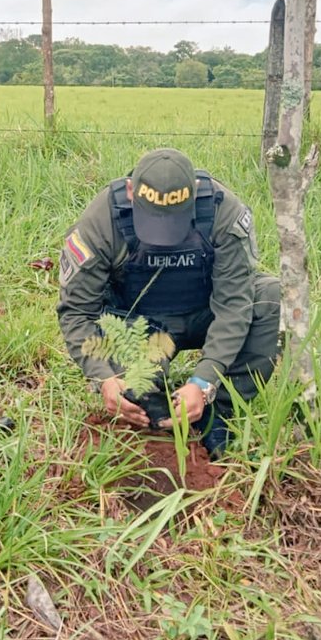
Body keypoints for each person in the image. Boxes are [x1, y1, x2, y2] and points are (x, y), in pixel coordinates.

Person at [57, 148, 281, 459]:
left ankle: (217, 416)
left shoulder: (221, 212)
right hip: (139, 327)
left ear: (194, 195)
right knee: (140, 398)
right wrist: (103, 377)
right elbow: (78, 311)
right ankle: (153, 422)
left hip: (206, 314)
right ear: (132, 191)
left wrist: (204, 381)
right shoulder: (102, 221)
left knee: (269, 297)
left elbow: (234, 307)